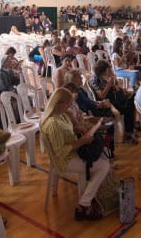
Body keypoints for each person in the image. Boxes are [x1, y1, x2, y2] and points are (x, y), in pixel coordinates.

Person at [40, 88, 109, 221]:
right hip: (65, 161)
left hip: (72, 153)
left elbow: (65, 133)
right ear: (59, 103)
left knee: (102, 157)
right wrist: (82, 141)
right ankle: (84, 203)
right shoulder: (53, 123)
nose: (70, 107)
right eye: (68, 104)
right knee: (103, 166)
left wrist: (76, 129)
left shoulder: (60, 115)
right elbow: (60, 152)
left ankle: (89, 195)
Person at [89, 60, 138, 143]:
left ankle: (130, 129)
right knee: (129, 106)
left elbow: (114, 89)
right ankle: (128, 132)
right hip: (106, 104)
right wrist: (109, 84)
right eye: (109, 69)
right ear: (106, 70)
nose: (111, 70)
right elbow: (101, 95)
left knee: (132, 99)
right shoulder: (94, 80)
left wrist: (117, 86)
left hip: (114, 100)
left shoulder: (105, 78)